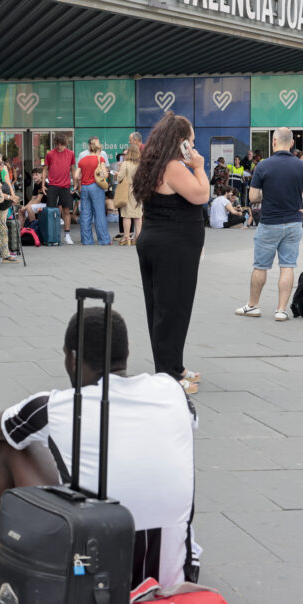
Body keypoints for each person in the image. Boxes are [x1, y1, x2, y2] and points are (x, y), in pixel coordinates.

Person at [0, 307, 200, 588]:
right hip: (174, 580)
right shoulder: (172, 391)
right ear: (125, 354)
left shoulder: (54, 406)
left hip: (92, 586)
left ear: (72, 358)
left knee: (12, 447)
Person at [132, 112, 207, 394]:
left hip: (158, 241)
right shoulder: (173, 166)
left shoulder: (154, 163)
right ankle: (168, 375)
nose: (194, 145)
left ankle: (173, 366)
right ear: (180, 141)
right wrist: (199, 167)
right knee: (172, 310)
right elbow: (201, 195)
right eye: (191, 140)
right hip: (172, 246)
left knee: (163, 308)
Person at [236, 127, 303, 322]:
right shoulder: (302, 166)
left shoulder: (263, 165)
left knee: (260, 267)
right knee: (287, 266)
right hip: (294, 223)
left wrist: (264, 194)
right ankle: (281, 310)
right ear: (292, 143)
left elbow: (253, 197)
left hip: (269, 223)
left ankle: (252, 306)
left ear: (274, 142)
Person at [76, 140, 111, 245]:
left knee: (85, 214)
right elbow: (105, 175)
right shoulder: (100, 159)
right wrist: (101, 174)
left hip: (84, 188)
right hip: (96, 187)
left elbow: (76, 176)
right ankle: (104, 240)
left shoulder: (82, 160)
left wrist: (82, 179)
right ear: (98, 149)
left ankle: (87, 240)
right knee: (99, 213)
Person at [44, 136, 76, 244]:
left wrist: (75, 184)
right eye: (57, 144)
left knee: (66, 211)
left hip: (66, 186)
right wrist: (43, 185)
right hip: (52, 185)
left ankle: (67, 235)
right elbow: (45, 169)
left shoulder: (70, 153)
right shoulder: (50, 154)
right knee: (51, 211)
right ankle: (51, 235)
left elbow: (73, 169)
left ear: (65, 144)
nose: (59, 146)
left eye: (61, 144)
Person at [0, 153, 18, 263]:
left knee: (2, 229)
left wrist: (12, 196)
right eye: (0, 163)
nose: (3, 164)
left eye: (3, 162)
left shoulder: (3, 170)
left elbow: (8, 184)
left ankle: (6, 255)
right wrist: (10, 197)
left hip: (3, 205)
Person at [118, 144, 144, 245]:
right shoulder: (141, 164)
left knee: (126, 215)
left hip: (128, 190)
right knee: (138, 215)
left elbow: (120, 177)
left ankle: (126, 237)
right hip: (139, 190)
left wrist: (118, 172)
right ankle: (138, 237)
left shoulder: (125, 163)